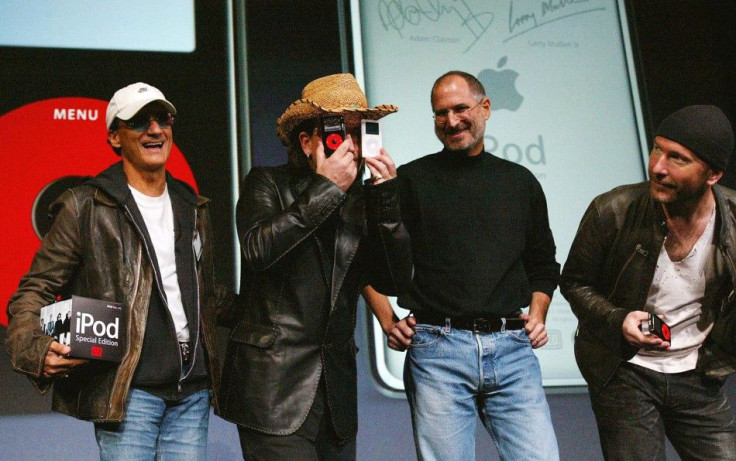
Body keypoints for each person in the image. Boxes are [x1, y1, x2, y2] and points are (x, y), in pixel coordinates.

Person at [5, 82, 230, 460]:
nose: (155, 129)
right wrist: (33, 348)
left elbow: (201, 295)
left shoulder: (193, 206)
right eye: (140, 121)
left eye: (163, 118)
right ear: (114, 136)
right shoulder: (85, 206)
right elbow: (36, 289)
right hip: (130, 394)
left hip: (192, 393)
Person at [217, 73, 413, 461]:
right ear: (307, 142)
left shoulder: (365, 201)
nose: (351, 147)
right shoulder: (267, 184)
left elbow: (394, 280)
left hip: (335, 392)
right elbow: (258, 250)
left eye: (360, 134)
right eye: (339, 134)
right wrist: (327, 189)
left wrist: (386, 199)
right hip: (274, 387)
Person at [388, 70, 560, 460]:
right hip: (437, 350)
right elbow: (364, 259)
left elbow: (543, 263)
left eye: (460, 108)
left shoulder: (520, 181)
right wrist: (387, 320)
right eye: (439, 113)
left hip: (513, 350)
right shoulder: (411, 180)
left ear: (485, 108)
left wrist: (538, 312)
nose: (450, 121)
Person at [560, 105, 736, 460]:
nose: (657, 166)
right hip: (626, 370)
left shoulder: (732, 218)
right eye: (657, 149)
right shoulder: (613, 209)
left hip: (699, 374)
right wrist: (617, 318)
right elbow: (575, 283)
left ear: (713, 174)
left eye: (677, 158)